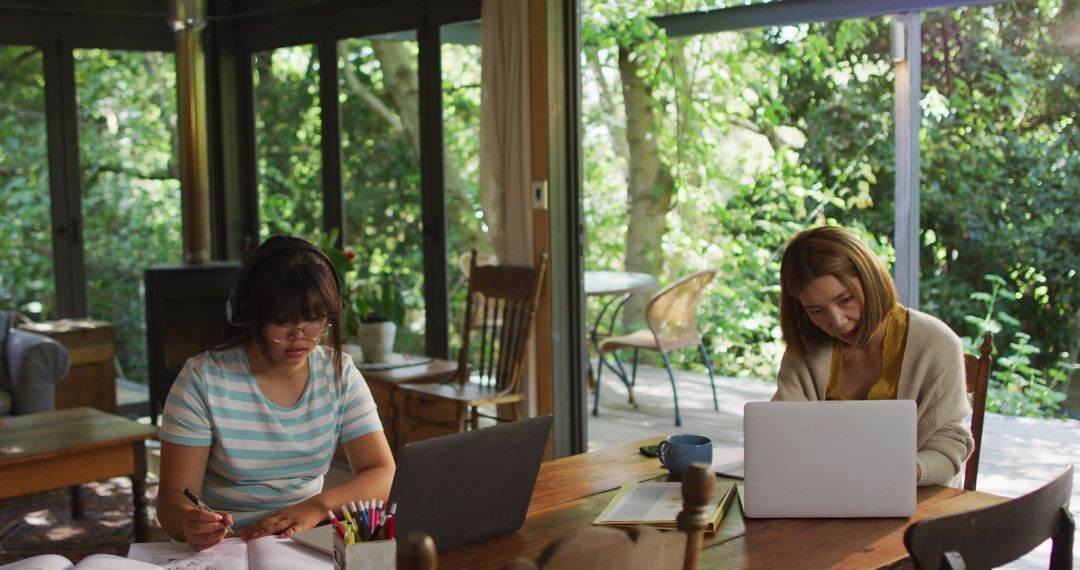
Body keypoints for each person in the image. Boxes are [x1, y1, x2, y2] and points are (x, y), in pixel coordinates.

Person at [157, 236, 395, 550]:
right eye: (282, 324)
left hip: (306, 539)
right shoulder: (203, 380)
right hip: (228, 546)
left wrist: (316, 507)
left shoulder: (339, 373)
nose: (301, 339)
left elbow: (381, 471)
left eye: (314, 322)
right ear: (248, 314)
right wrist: (189, 522)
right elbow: (172, 500)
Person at [772, 226, 974, 486]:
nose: (837, 321)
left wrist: (903, 471)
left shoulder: (937, 344)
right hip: (825, 494)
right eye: (816, 311)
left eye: (845, 300)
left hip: (915, 500)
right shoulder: (806, 348)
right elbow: (779, 432)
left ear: (870, 279)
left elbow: (948, 450)